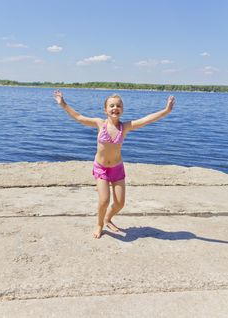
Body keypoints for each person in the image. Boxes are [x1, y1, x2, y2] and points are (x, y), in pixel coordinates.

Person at [54, 90, 175, 239]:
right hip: (101, 169)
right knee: (104, 200)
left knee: (120, 203)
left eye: (118, 105)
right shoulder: (100, 123)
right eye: (111, 105)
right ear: (105, 110)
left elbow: (147, 119)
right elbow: (78, 117)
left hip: (117, 169)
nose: (115, 108)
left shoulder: (125, 127)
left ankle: (108, 218)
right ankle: (99, 224)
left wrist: (167, 110)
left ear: (122, 110)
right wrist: (63, 104)